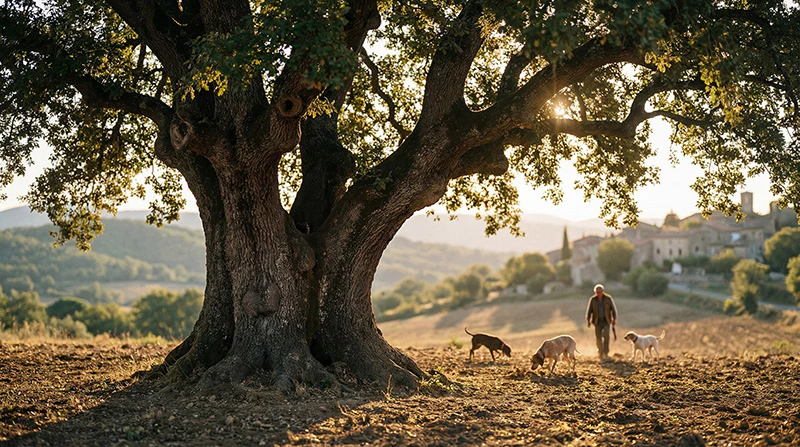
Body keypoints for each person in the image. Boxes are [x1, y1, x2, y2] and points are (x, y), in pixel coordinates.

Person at [586, 283, 617, 360]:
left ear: (603, 291)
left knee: (606, 335)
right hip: (597, 321)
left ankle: (605, 352)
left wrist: (614, 319)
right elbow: (589, 311)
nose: (598, 294)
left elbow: (613, 310)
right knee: (598, 337)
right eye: (597, 292)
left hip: (606, 320)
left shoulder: (608, 298)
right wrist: (588, 320)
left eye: (599, 292)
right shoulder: (593, 299)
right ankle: (600, 352)